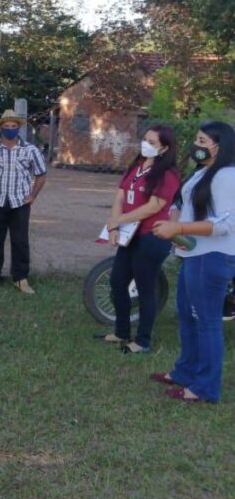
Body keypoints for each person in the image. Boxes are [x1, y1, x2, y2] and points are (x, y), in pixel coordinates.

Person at [150, 121, 235, 403]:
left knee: (207, 322)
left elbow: (225, 225)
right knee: (186, 314)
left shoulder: (226, 176)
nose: (195, 146)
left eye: (201, 140)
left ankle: (205, 388)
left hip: (211, 258)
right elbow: (184, 206)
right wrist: (176, 226)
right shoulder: (204, 172)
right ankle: (185, 372)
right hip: (193, 254)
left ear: (218, 146)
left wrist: (180, 230)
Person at [97, 125, 180, 353]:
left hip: (152, 237)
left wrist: (120, 219)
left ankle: (142, 341)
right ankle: (121, 332)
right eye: (145, 140)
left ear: (164, 148)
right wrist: (114, 224)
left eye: (152, 143)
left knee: (145, 288)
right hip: (129, 234)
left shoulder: (168, 174)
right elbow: (120, 196)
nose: (146, 145)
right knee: (117, 281)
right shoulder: (137, 166)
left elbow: (154, 206)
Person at [0, 109, 47, 294]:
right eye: (6, 126)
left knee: (20, 241)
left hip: (20, 203)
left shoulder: (30, 150)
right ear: (0, 128)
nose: (10, 129)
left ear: (19, 128)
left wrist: (32, 195)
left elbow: (41, 174)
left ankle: (21, 278)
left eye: (13, 126)